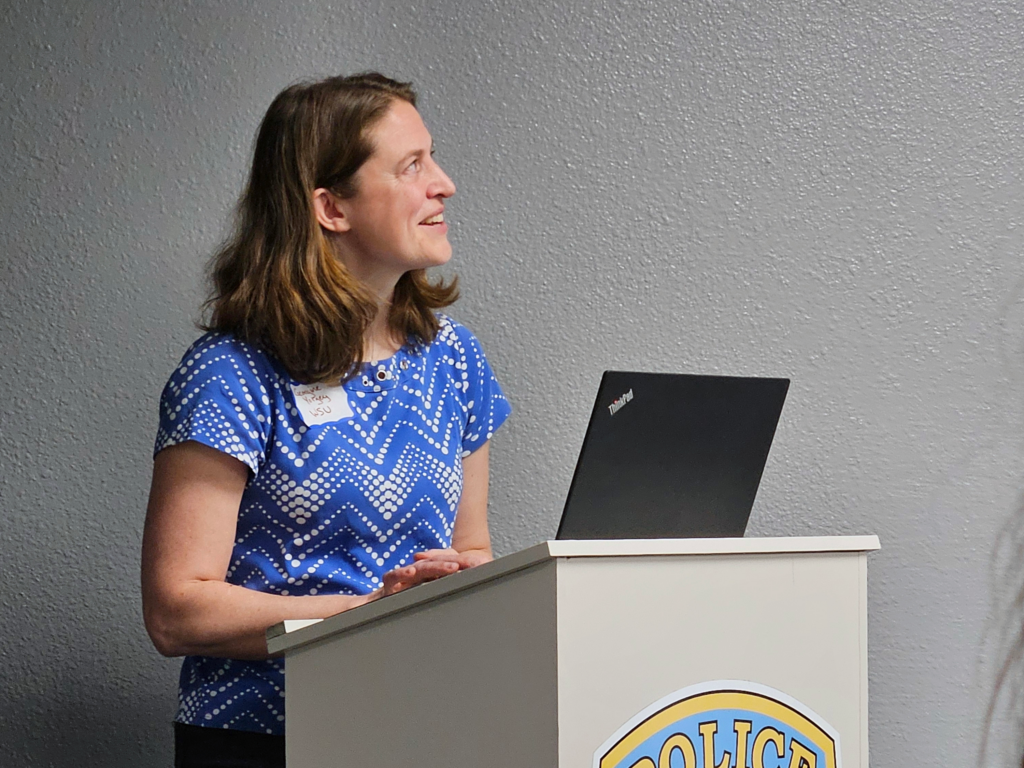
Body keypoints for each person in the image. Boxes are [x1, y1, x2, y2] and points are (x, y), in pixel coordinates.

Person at [141, 72, 511, 768]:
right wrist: (366, 615)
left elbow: (473, 549)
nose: (445, 184)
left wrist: (464, 580)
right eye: (412, 166)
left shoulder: (455, 358)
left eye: (432, 158)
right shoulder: (230, 374)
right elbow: (176, 611)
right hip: (263, 741)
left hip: (420, 729)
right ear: (332, 207)